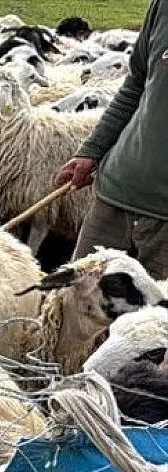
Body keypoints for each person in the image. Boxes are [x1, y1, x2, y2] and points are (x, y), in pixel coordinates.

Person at [53, 0, 168, 278]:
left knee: (152, 321)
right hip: (117, 194)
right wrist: (92, 150)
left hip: (163, 224)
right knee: (70, 306)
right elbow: (135, 85)